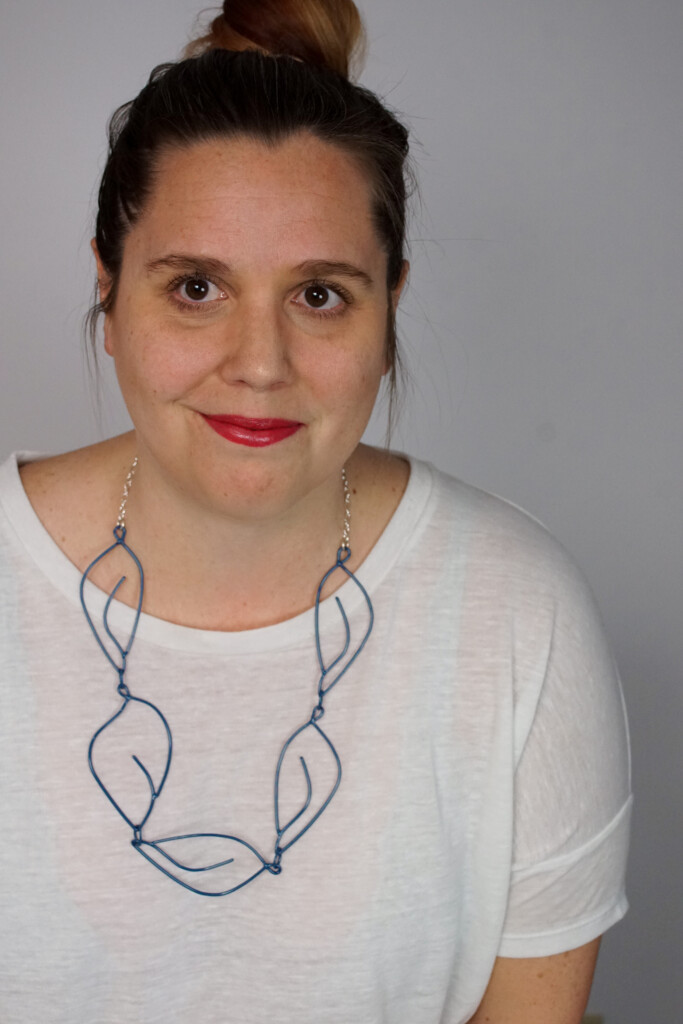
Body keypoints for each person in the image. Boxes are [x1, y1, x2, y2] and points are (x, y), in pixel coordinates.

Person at [0, 1, 631, 1021]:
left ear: (390, 310)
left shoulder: (518, 611)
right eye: (196, 286)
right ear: (108, 295)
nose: (259, 365)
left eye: (321, 295)